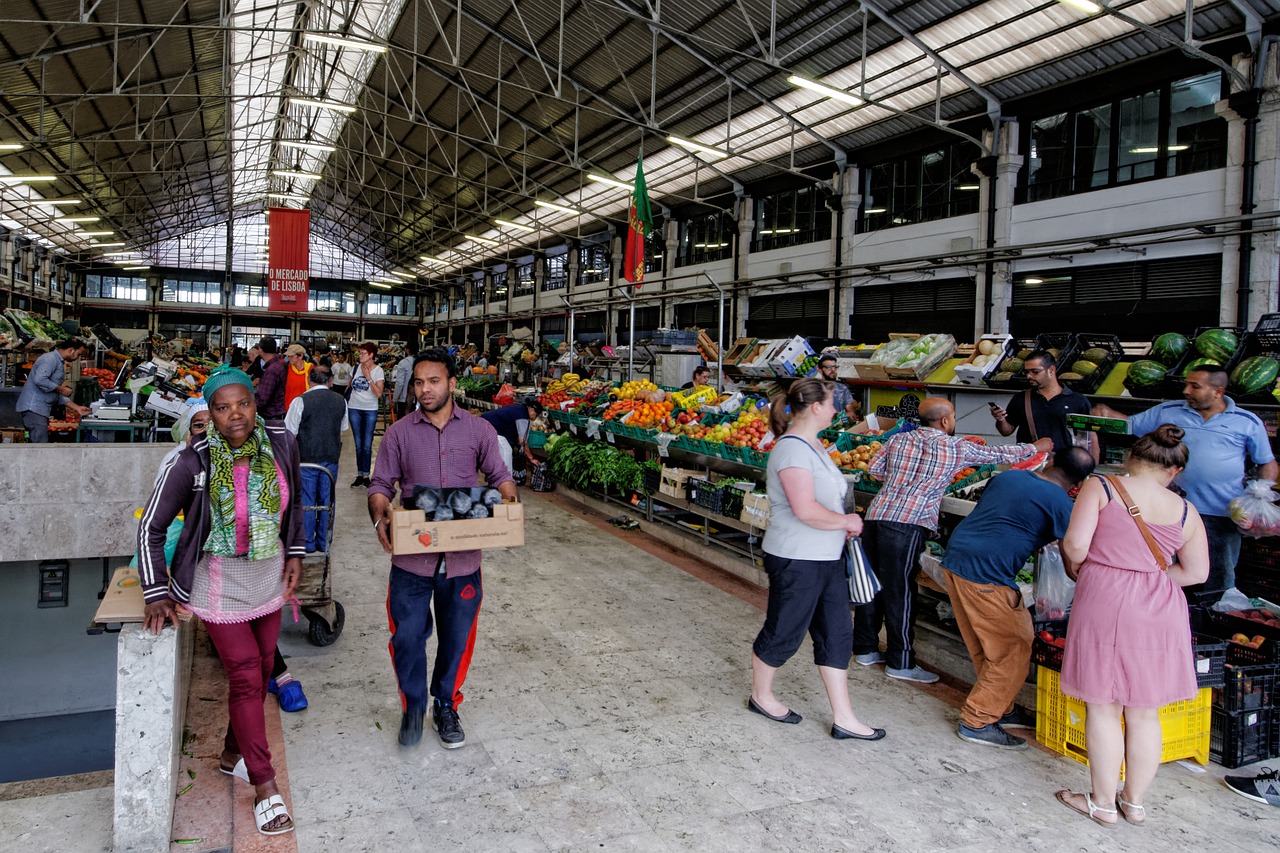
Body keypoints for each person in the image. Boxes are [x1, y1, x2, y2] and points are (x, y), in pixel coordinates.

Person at [138, 366, 304, 836]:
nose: (235, 415)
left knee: (264, 661)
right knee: (249, 676)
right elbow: (150, 527)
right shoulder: (189, 463)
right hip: (219, 582)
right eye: (222, 407)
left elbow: (293, 506)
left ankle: (233, 755)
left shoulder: (281, 444)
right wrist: (155, 591)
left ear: (255, 403)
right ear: (208, 413)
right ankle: (266, 786)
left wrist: (296, 554)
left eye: (243, 404)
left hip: (268, 578)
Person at [1055, 425, 1209, 828]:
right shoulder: (1187, 511)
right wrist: (1149, 578)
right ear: (1174, 472)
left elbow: (1074, 546)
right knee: (1144, 711)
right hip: (1162, 607)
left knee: (1104, 706)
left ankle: (1103, 803)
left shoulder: (1102, 487)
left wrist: (1103, 571)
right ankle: (1134, 803)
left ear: (1129, 458)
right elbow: (1196, 572)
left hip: (1106, 596)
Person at [367, 347, 517, 749]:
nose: (424, 389)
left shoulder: (480, 431)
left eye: (433, 381)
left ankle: (446, 703)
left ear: (453, 383)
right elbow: (381, 484)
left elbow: (500, 473)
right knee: (408, 637)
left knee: (457, 637)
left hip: (464, 558)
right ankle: (413, 706)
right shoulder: (398, 433)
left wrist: (509, 500)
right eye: (418, 382)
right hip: (412, 560)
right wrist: (381, 514)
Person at [853, 398, 1051, 683]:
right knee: (901, 592)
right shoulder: (954, 446)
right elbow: (1000, 453)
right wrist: (1037, 447)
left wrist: (904, 479)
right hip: (907, 523)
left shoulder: (898, 440)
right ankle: (900, 662)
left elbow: (874, 470)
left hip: (876, 515)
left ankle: (865, 649)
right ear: (945, 421)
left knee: (873, 586)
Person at [749, 378, 885, 741]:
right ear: (815, 408)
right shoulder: (791, 450)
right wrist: (847, 521)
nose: (836, 410)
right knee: (785, 630)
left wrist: (842, 525)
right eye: (831, 404)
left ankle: (844, 716)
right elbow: (805, 509)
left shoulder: (815, 446)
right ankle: (761, 696)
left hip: (827, 556)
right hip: (797, 557)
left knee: (838, 633)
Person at [942, 446, 1096, 750]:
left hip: (956, 559)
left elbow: (1005, 515)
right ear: (1079, 484)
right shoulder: (1062, 504)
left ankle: (1003, 706)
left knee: (987, 647)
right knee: (1013, 647)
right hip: (987, 575)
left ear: (1051, 460)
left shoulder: (1007, 478)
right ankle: (978, 720)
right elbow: (1071, 561)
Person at [1094, 365, 1276, 603]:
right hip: (1168, 512)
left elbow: (1268, 463)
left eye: (1195, 386)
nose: (1186, 390)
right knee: (1164, 572)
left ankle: (1210, 624)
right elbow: (1130, 425)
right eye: (1187, 383)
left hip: (1220, 516)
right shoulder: (1168, 410)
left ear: (1218, 391)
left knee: (1217, 579)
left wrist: (1259, 495)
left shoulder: (1246, 421)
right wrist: (1107, 413)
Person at [284, 365, 349, 553]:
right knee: (327, 499)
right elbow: (343, 428)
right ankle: (324, 541)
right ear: (330, 381)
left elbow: (290, 432)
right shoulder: (340, 401)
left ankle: (308, 543)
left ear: (309, 380)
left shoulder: (300, 401)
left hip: (306, 458)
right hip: (331, 458)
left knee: (308, 500)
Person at [990, 350, 1098, 461]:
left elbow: (1091, 437)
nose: (1029, 376)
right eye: (1026, 372)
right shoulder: (1021, 398)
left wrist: (1092, 469)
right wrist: (1000, 419)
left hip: (1065, 465)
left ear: (1051, 370)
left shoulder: (1077, 400)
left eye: (1035, 372)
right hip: (1029, 464)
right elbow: (1006, 431)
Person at [16, 338, 91, 442]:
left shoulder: (57, 361)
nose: (78, 358)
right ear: (70, 350)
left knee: (40, 441)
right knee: (39, 444)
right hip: (34, 409)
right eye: (78, 354)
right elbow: (40, 379)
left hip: (40, 410)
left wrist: (76, 407)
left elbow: (54, 391)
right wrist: (61, 388)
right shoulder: (49, 359)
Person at [347, 341, 384, 488]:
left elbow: (379, 393)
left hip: (370, 409)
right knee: (358, 444)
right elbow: (350, 386)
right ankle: (359, 474)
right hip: (354, 407)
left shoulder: (378, 371)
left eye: (363, 353)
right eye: (360, 353)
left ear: (371, 355)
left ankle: (367, 475)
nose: (360, 355)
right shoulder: (355, 368)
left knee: (367, 445)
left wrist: (368, 377)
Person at [480, 398, 543, 480]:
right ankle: (505, 481)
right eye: (536, 414)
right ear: (531, 410)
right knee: (506, 452)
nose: (535, 417)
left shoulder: (519, 409)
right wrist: (531, 458)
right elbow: (522, 441)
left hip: (485, 424)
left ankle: (496, 478)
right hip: (491, 428)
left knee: (498, 454)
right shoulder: (523, 416)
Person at [817, 355, 860, 423]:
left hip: (837, 427)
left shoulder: (842, 388)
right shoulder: (814, 389)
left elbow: (851, 413)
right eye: (829, 367)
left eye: (835, 367)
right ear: (820, 370)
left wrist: (838, 417)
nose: (833, 370)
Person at [253, 338, 287, 420]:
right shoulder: (279, 365)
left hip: (271, 416)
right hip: (278, 412)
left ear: (260, 350)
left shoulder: (271, 370)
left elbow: (262, 400)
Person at [391, 343, 418, 421]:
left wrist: (394, 399)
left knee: (403, 425)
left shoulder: (403, 363)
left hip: (404, 400)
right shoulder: (421, 362)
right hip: (419, 401)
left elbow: (399, 383)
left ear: (407, 350)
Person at [283, 344, 311, 411]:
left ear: (300, 356)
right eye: (288, 356)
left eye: (291, 356)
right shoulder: (286, 369)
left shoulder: (311, 369)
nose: (288, 358)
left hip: (307, 407)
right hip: (290, 408)